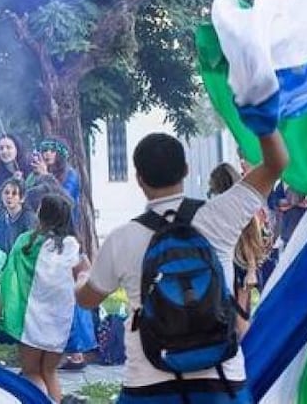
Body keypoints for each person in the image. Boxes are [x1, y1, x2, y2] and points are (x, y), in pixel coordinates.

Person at [76, 130, 288, 403]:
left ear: (139, 178)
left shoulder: (121, 239)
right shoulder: (220, 214)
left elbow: (87, 299)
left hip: (148, 385)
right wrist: (263, 119)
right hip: (221, 385)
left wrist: (81, 276)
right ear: (186, 169)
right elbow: (277, 163)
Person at [0, 194, 88, 403]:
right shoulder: (73, 245)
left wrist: (0, 309)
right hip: (60, 323)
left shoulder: (26, 242)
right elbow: (85, 276)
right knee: (50, 372)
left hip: (32, 321)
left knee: (31, 372)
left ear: (41, 214)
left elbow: (9, 277)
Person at [29, 137, 95, 370]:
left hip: (67, 239)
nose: (46, 154)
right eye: (43, 150)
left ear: (60, 155)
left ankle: (78, 351)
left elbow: (65, 201)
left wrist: (46, 176)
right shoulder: (42, 174)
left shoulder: (72, 176)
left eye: (51, 151)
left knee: (71, 294)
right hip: (48, 239)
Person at [208, 163, 272, 338]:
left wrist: (250, 271)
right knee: (238, 319)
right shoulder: (239, 204)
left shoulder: (236, 207)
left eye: (213, 187)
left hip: (241, 267)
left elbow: (249, 239)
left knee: (240, 321)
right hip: (238, 266)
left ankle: (250, 357)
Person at [0, 178, 37, 254]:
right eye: (6, 193)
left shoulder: (28, 219)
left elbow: (32, 247)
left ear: (22, 198)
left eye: (14, 193)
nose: (9, 196)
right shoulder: (1, 216)